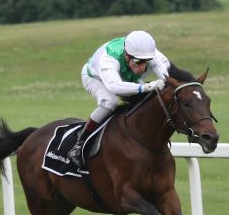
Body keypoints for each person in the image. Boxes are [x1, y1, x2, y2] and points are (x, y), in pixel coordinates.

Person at [67, 30, 170, 167]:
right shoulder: (109, 58)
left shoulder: (150, 54)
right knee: (109, 103)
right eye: (139, 62)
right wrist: (144, 87)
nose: (143, 67)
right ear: (127, 56)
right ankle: (79, 144)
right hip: (95, 77)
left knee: (149, 99)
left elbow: (169, 77)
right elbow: (115, 86)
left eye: (147, 62)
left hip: (123, 77)